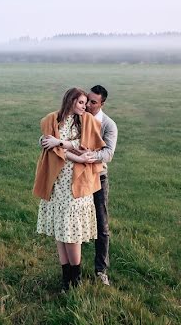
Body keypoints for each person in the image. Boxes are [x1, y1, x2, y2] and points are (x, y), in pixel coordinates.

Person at [33, 87, 106, 290]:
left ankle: (76, 278)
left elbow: (84, 146)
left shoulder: (85, 121)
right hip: (57, 183)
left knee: (72, 233)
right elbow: (53, 148)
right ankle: (67, 278)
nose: (85, 107)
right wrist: (54, 143)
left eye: (86, 103)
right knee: (61, 230)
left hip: (76, 184)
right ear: (71, 101)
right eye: (81, 102)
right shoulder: (53, 120)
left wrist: (61, 143)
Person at [82, 85, 117, 286]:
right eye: (87, 100)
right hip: (76, 178)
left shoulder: (108, 125)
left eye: (93, 102)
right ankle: (72, 268)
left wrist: (89, 156)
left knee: (101, 224)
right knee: (74, 219)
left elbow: (108, 154)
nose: (88, 104)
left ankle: (100, 270)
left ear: (102, 103)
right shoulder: (77, 116)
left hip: (97, 178)